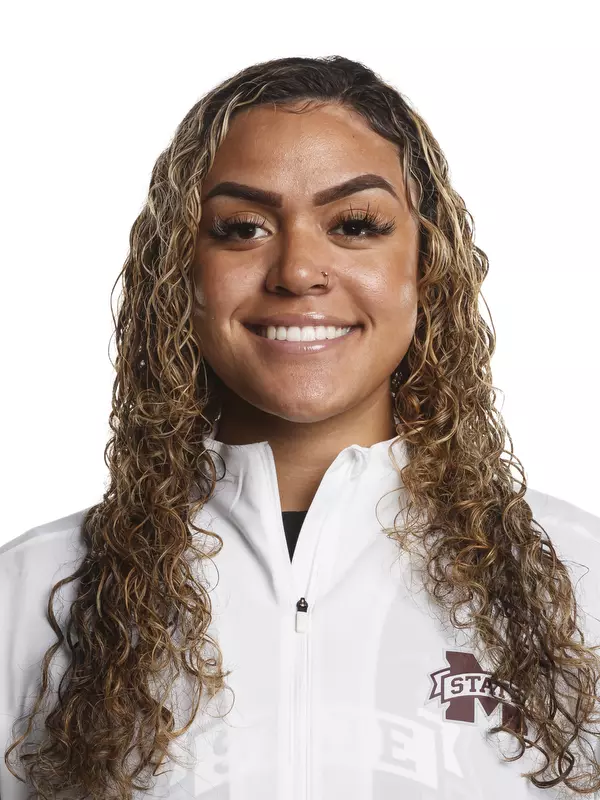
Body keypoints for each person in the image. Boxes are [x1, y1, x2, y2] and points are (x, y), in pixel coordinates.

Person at [1, 55, 600, 800]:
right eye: (242, 228)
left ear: (427, 266)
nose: (297, 271)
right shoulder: (33, 593)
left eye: (355, 224)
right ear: (180, 275)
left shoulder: (578, 583)